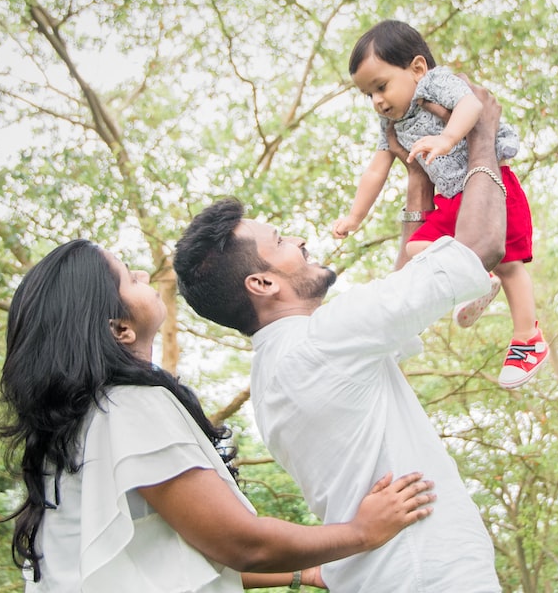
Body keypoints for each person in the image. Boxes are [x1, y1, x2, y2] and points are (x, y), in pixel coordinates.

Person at [172, 80, 510, 592]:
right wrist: (482, 133)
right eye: (281, 241)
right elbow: (480, 247)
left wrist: (417, 181)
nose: (301, 239)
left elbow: (400, 293)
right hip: (429, 577)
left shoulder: (274, 375)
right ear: (262, 282)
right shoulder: (326, 340)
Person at [0, 239, 436, 592]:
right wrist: (361, 532)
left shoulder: (81, 429)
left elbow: (189, 555)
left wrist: (307, 572)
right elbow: (241, 543)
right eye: (129, 277)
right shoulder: (128, 406)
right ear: (119, 328)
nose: (144, 274)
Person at [332, 19, 547, 388]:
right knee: (417, 247)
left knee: (511, 264)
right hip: (450, 200)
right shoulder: (393, 123)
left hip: (492, 190)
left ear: (416, 68)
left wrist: (447, 138)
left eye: (381, 87)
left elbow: (472, 105)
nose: (378, 101)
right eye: (369, 95)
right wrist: (355, 216)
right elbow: (375, 171)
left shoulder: (436, 84)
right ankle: (481, 279)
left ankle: (528, 338)